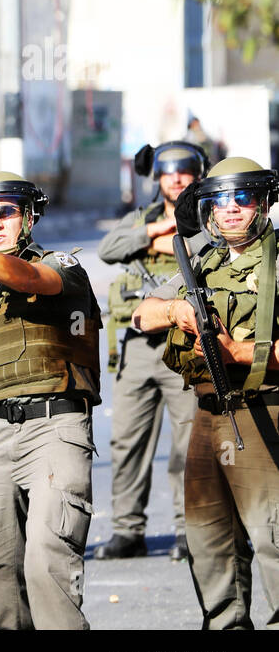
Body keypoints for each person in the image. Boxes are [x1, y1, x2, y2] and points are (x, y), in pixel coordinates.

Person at [0, 172, 103, 629]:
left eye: (5, 211)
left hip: (56, 425)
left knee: (47, 561)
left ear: (28, 218)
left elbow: (35, 280)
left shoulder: (60, 263)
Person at [132, 157, 279, 629]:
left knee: (272, 536)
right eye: (221, 200)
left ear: (261, 203)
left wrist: (238, 352)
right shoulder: (200, 259)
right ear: (208, 209)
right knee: (208, 537)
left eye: (243, 198)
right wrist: (176, 309)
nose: (232, 209)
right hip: (208, 414)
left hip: (267, 411)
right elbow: (140, 316)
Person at [95, 142, 208, 561]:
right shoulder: (140, 219)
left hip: (184, 344)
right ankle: (127, 530)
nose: (176, 179)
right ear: (156, 178)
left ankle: (187, 531)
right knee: (127, 440)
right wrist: (155, 234)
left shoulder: (207, 216)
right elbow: (109, 248)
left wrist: (171, 239)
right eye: (168, 173)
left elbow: (209, 249)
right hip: (138, 346)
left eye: (184, 172)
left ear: (198, 175)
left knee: (187, 444)